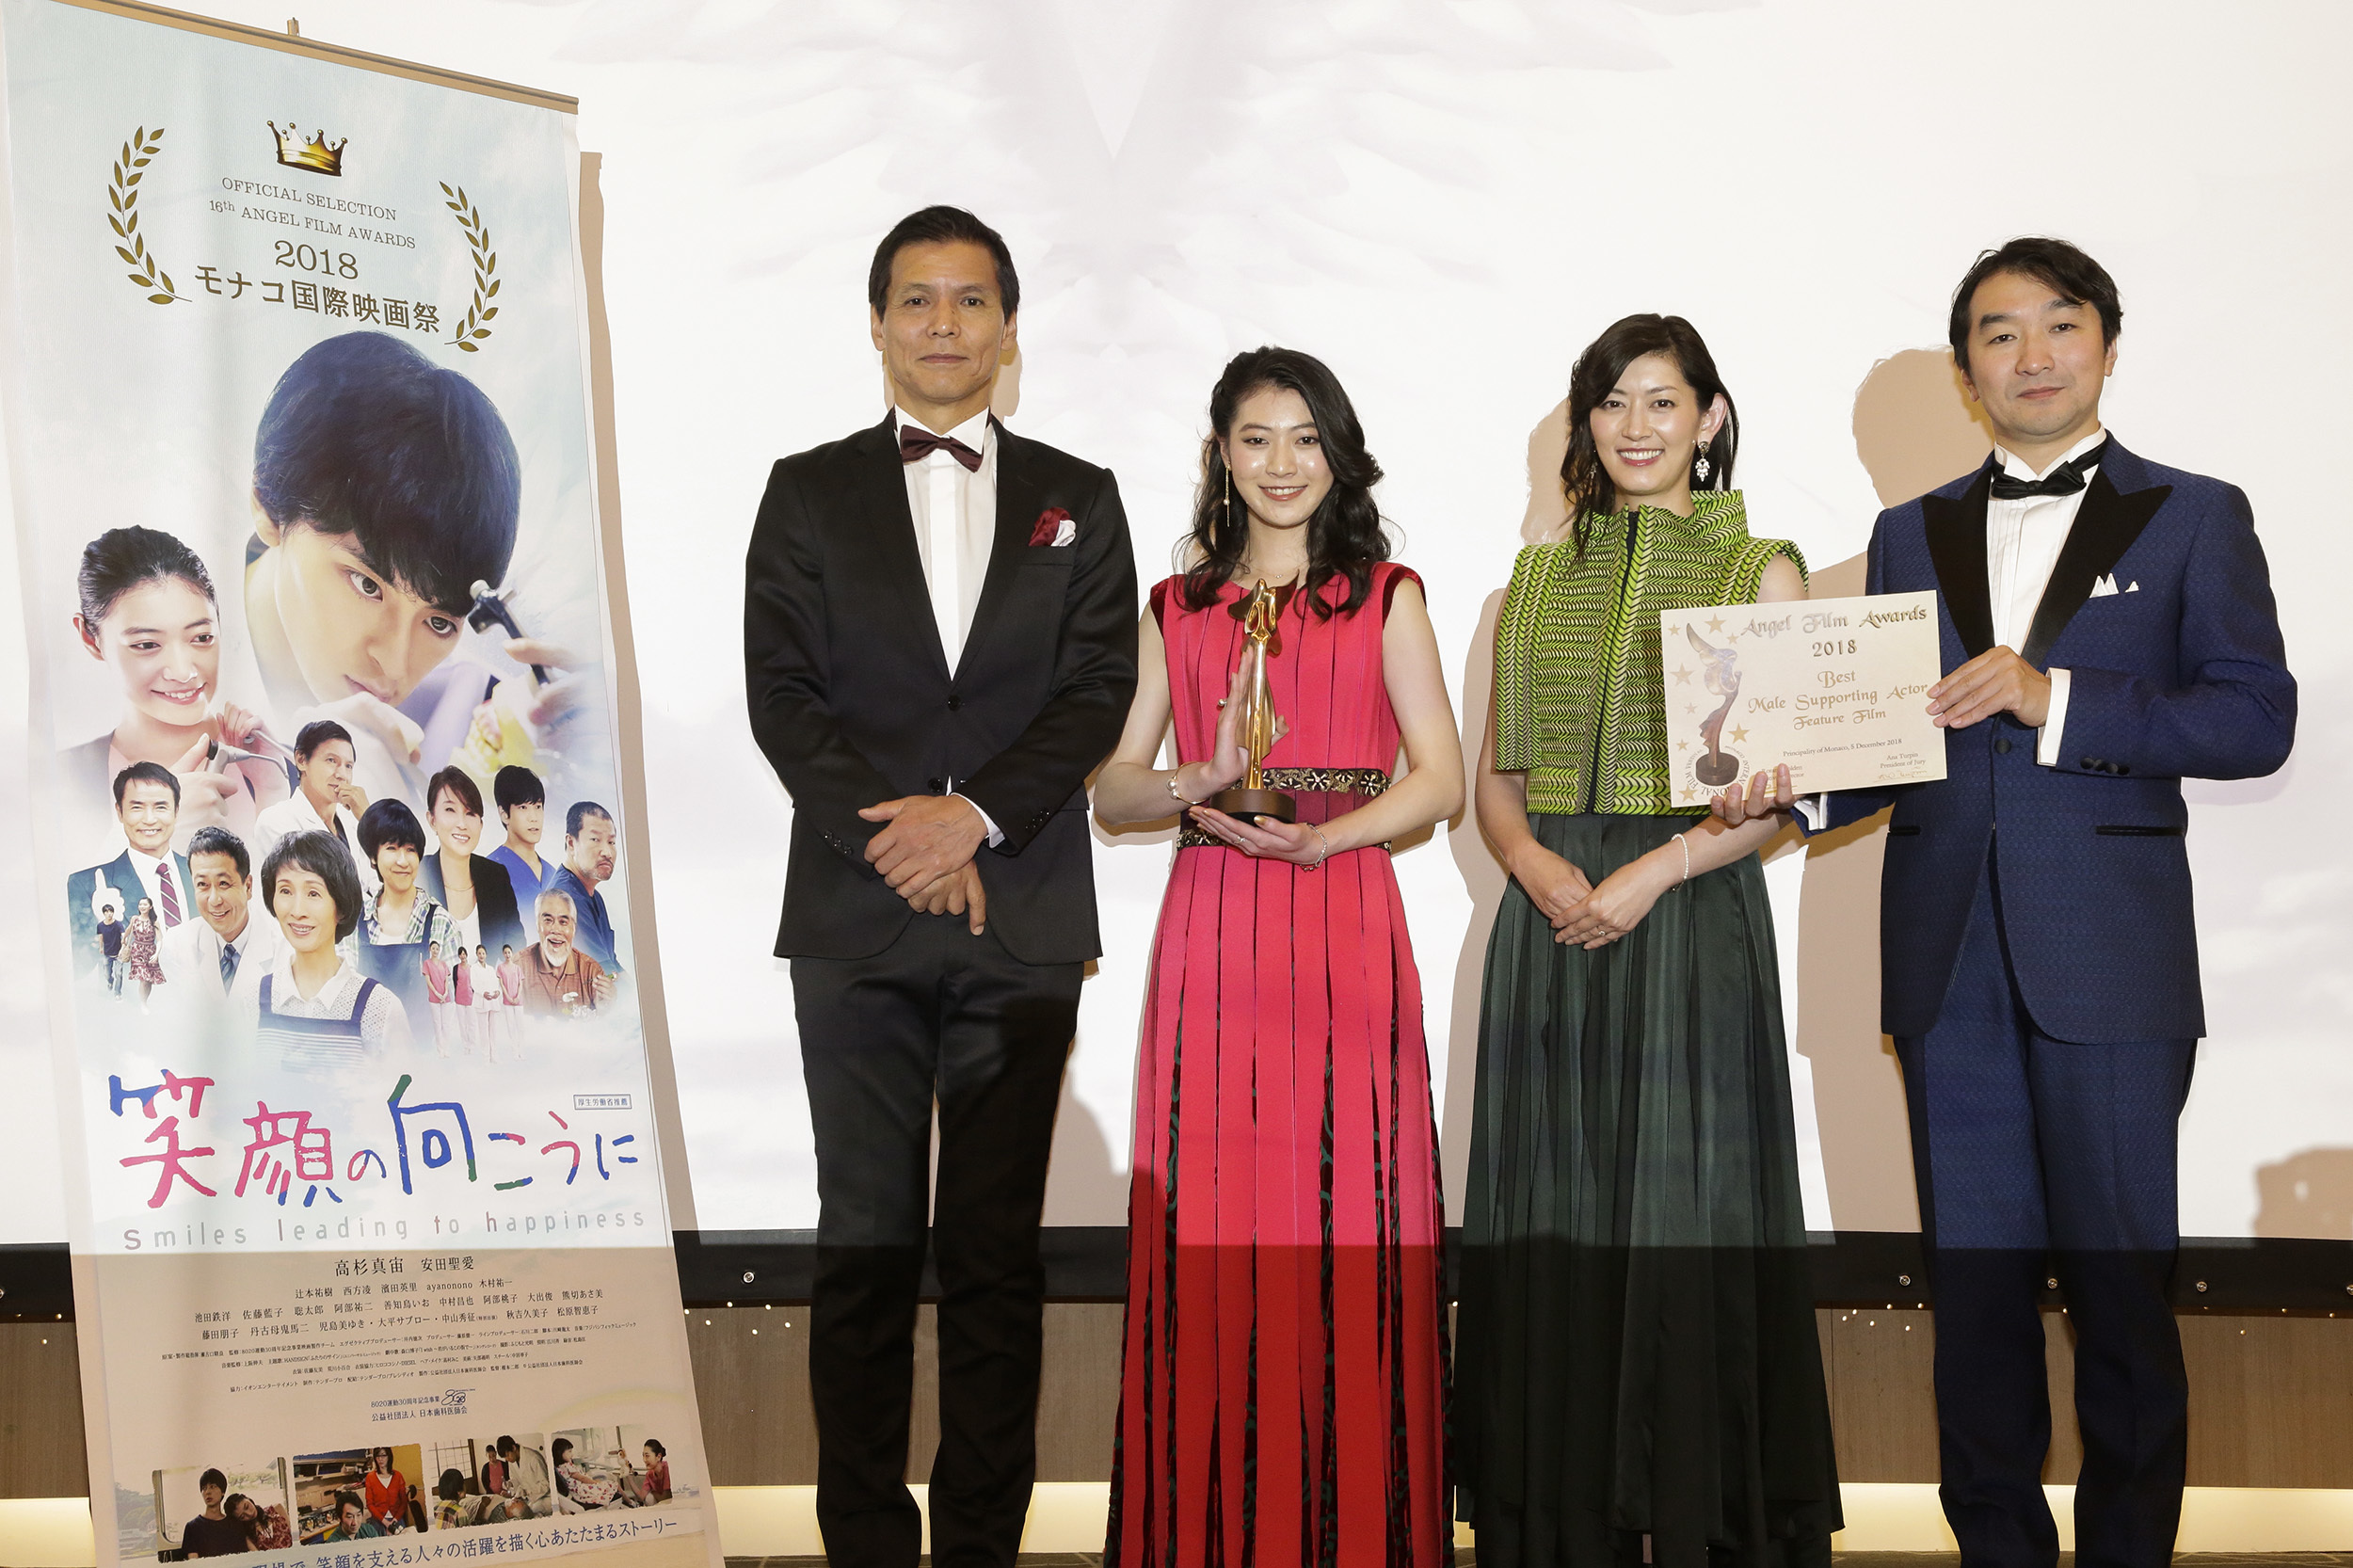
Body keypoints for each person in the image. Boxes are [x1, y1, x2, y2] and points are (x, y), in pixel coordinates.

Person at [1720, 238, 2297, 1568]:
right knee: (1973, 1299)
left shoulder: (2196, 512)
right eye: (1998, 333)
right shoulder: (1905, 530)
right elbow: (1886, 735)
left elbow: (2254, 717)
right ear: (1966, 368)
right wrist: (1792, 787)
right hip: (1946, 965)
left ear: (2106, 345)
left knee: (2122, 1294)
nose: (2032, 355)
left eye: (2059, 325)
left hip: (2112, 965)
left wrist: (2059, 698)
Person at [742, 204, 1137, 1567]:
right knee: (859, 1248)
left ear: (1008, 329)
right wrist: (901, 843)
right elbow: (784, 696)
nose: (945, 324)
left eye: (972, 300)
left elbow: (1097, 688)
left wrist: (973, 818)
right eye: (917, 299)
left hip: (1020, 920)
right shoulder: (806, 489)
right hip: (853, 926)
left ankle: (979, 1544)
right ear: (877, 323)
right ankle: (863, 1540)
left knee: (992, 1257)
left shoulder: (1080, 494)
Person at [1457, 313, 1837, 1568]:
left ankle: (1700, 1520)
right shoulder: (1534, 582)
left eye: (1662, 401)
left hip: (1686, 916)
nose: (1635, 426)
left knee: (1686, 1217)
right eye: (1612, 402)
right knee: (1556, 1216)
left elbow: (1779, 797)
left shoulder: (1760, 567)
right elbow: (1495, 778)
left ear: (1708, 419)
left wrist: (1654, 872)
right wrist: (1535, 866)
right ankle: (1559, 1526)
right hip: (1552, 917)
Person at [1092, 348, 1460, 1564]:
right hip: (1209, 935)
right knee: (1211, 1216)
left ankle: (1355, 1528)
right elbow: (1112, 789)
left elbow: (1441, 781)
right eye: (1256, 438)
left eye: (1306, 438)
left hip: (1341, 917)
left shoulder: (1387, 594)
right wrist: (1192, 778)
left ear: (1337, 455)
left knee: (1348, 1212)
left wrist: (1326, 839)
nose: (1282, 462)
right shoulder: (1174, 607)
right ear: (1220, 455)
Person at [245, 330, 530, 798]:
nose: (394, 665)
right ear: (268, 509)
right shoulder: (157, 663)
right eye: (367, 585)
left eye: (439, 623)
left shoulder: (485, 720)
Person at [62, 526, 289, 844]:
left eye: (202, 638)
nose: (183, 672)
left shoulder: (288, 767)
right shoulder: (59, 781)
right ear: (90, 638)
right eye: (146, 645)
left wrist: (272, 794)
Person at [249, 829, 409, 1068]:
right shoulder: (252, 1002)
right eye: (285, 891)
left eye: (313, 893)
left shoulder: (379, 1008)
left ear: (341, 906)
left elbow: (406, 1088)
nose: (297, 910)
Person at [67, 761, 195, 978]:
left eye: (160, 807)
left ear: (176, 811)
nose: (149, 819)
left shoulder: (202, 875)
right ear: (120, 811)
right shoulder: (85, 885)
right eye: (137, 807)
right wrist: (104, 924)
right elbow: (75, 973)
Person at [153, 826, 283, 1022]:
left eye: (224, 883)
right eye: (202, 885)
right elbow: (165, 1024)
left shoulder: (285, 948)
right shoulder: (177, 945)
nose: (214, 900)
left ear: (248, 887)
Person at [355, 798, 452, 1018]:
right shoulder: (355, 922)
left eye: (410, 850)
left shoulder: (441, 922)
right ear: (373, 857)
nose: (403, 861)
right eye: (392, 848)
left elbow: (452, 1005)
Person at [251, 720, 373, 895]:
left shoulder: (356, 823)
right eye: (331, 760)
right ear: (301, 760)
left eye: (348, 766)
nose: (342, 775)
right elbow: (314, 888)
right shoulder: (275, 821)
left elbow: (379, 885)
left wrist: (368, 818)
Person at [419, 766, 525, 964]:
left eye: (470, 813)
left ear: (481, 824)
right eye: (450, 810)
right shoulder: (416, 875)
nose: (462, 824)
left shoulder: (496, 877)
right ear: (432, 820)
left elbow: (518, 953)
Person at [547, 802, 624, 978]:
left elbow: (613, 965)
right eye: (595, 840)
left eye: (611, 842)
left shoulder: (594, 896)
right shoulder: (566, 899)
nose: (607, 852)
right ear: (571, 843)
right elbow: (602, 975)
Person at [518, 888, 612, 1018]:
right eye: (548, 920)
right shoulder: (517, 968)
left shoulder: (592, 971)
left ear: (574, 928)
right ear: (538, 925)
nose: (556, 929)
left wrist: (607, 1007)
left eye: (563, 922)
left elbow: (605, 1023)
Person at [488, 765, 559, 905]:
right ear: (504, 815)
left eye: (538, 807)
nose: (534, 818)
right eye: (523, 807)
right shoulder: (490, 871)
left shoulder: (553, 875)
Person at [180, 1468, 248, 1557]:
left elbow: (242, 1558)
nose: (207, 1492)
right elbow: (193, 1561)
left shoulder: (234, 1524)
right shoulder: (192, 1527)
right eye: (204, 1488)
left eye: (212, 1486)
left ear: (223, 1492)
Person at [120, 897, 164, 1005]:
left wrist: (157, 954)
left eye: (145, 905)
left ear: (150, 907)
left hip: (150, 951)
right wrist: (124, 940)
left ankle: (145, 1000)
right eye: (140, 904)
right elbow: (128, 930)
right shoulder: (135, 919)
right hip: (137, 950)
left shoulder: (154, 922)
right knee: (144, 978)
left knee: (148, 980)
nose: (142, 907)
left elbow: (159, 940)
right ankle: (142, 1003)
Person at [422, 940, 456, 1057]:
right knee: (437, 1024)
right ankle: (440, 1050)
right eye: (433, 948)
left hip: (445, 997)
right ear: (430, 949)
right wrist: (436, 993)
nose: (435, 951)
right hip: (434, 998)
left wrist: (445, 992)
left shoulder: (443, 964)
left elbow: (446, 980)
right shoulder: (427, 963)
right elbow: (428, 981)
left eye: (437, 949)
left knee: (446, 1024)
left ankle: (446, 1049)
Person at [469, 944, 504, 1061]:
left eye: (483, 953)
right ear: (476, 955)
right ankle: (486, 1057)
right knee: (483, 1030)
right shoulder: (474, 968)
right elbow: (474, 983)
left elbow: (495, 983)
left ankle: (494, 1055)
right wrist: (482, 993)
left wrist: (497, 991)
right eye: (479, 953)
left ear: (486, 955)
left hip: (492, 1001)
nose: (481, 955)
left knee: (493, 1029)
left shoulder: (490, 969)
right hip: (481, 1000)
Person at [362, 1448, 407, 1534]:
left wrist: (394, 1521)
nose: (380, 1459)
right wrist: (386, 1523)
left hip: (397, 1520)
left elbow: (404, 1502)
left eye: (383, 1455)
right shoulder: (370, 1477)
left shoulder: (398, 1476)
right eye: (377, 1456)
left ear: (389, 1457)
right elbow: (370, 1504)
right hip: (378, 1521)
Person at [319, 1493, 383, 1543]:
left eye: (358, 1515)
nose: (355, 1523)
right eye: (349, 1517)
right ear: (339, 1518)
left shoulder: (369, 1530)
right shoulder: (333, 1543)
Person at [95, 903, 124, 996]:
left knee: (119, 974)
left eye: (111, 911)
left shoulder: (118, 924)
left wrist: (123, 948)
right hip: (107, 953)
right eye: (107, 912)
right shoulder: (100, 926)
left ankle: (117, 993)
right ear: (104, 913)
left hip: (119, 953)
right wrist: (101, 947)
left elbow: (123, 936)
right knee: (107, 974)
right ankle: (110, 981)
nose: (109, 914)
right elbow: (101, 937)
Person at [634, 1439, 670, 1505]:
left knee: (650, 1497)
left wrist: (654, 1493)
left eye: (647, 1456)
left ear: (658, 1457)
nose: (644, 1460)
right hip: (661, 1505)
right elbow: (641, 1496)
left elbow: (666, 1498)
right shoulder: (649, 1474)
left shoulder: (667, 1468)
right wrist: (627, 1475)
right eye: (643, 1456)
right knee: (649, 1498)